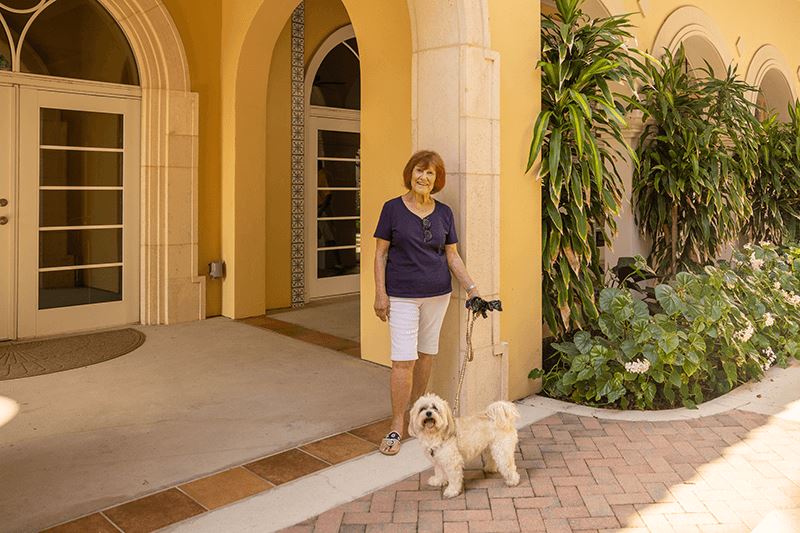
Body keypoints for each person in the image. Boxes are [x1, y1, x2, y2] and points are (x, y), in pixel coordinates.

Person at [373, 150, 479, 456]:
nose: (424, 178)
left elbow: (451, 255)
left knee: (426, 355)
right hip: (402, 295)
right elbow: (380, 254)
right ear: (410, 174)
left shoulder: (444, 213)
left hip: (438, 294)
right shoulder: (392, 209)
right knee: (402, 361)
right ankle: (396, 424)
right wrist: (380, 294)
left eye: (430, 174)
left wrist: (472, 288)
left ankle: (416, 417)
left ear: (437, 180)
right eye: (420, 171)